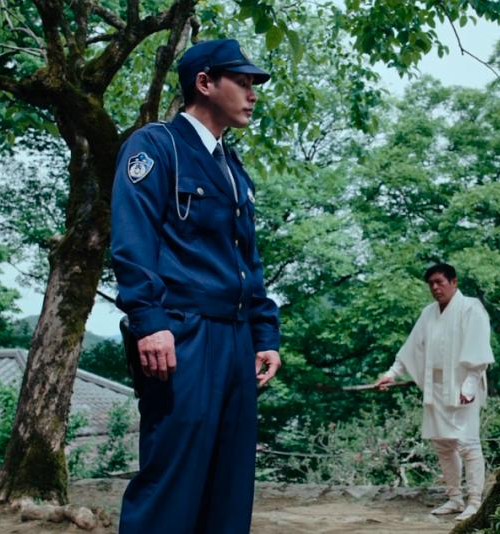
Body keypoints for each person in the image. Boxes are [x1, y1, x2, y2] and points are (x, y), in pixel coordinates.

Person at [111, 39, 281, 533]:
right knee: (172, 482)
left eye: (253, 85)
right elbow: (133, 240)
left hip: (236, 339)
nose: (252, 94)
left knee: (230, 485)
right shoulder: (156, 146)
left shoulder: (232, 167)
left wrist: (264, 333)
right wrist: (149, 322)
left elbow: (247, 258)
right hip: (181, 336)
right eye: (242, 83)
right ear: (204, 83)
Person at [374, 263, 494, 521]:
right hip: (435, 386)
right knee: (443, 444)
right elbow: (410, 348)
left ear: (453, 282)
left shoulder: (471, 308)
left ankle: (475, 500)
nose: (436, 288)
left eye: (440, 282)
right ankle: (454, 497)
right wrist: (391, 374)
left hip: (463, 385)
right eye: (431, 284)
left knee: (467, 443)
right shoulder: (428, 313)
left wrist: (470, 385)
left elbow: (479, 349)